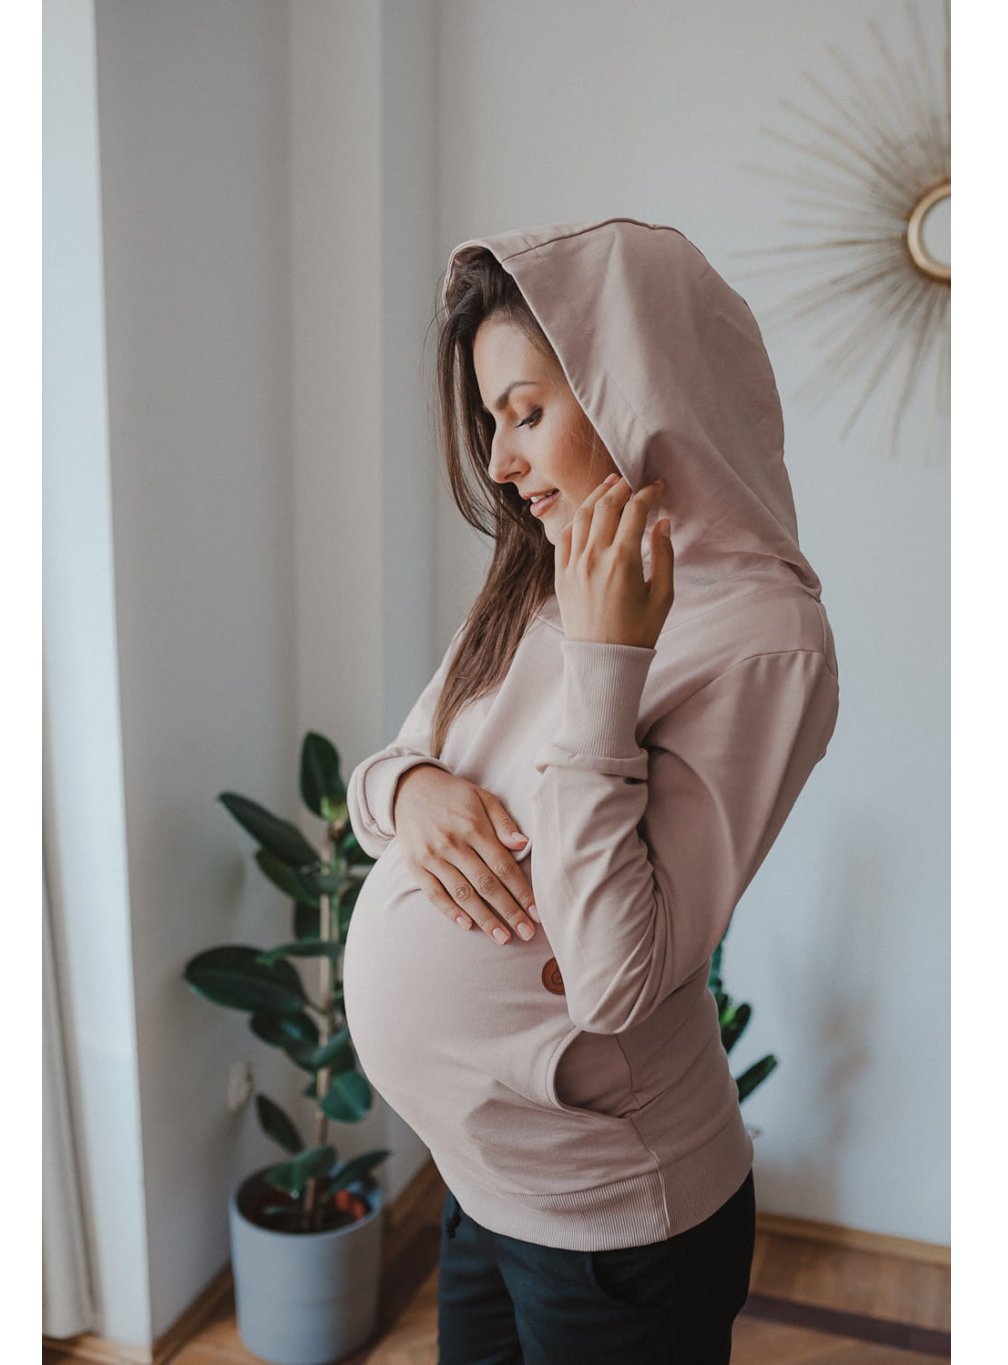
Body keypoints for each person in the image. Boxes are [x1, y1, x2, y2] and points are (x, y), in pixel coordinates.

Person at [342, 217, 840, 1363]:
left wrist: (608, 662)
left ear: (638, 388)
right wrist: (412, 792)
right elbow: (384, 779)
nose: (500, 463)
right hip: (481, 1179)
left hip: (613, 1221)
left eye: (525, 413)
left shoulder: (763, 639)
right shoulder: (543, 567)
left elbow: (614, 981)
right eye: (490, 422)